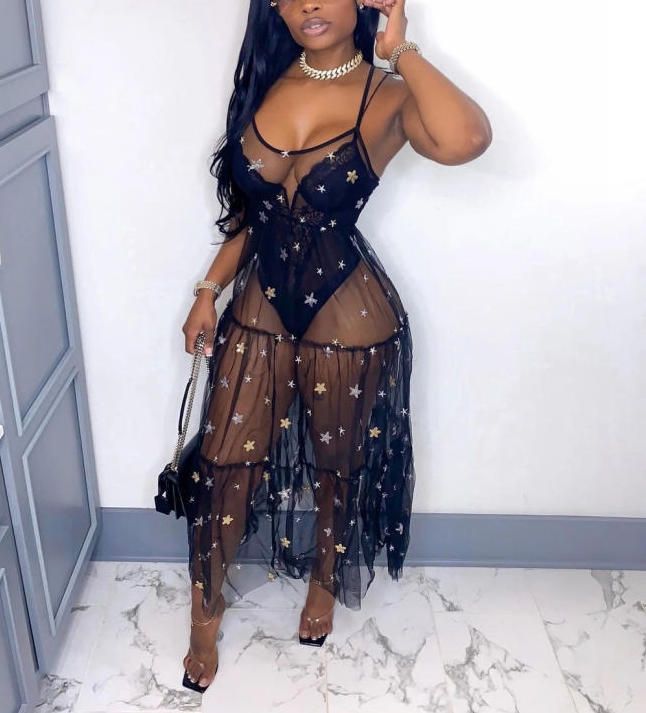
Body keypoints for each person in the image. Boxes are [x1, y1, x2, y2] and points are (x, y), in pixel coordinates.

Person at [179, 0, 491, 693]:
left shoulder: (390, 95)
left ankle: (325, 581)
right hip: (259, 306)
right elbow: (254, 217)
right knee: (226, 461)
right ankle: (205, 611)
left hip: (349, 314)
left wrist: (399, 47)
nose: (308, 5)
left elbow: (467, 138)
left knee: (337, 465)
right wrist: (207, 289)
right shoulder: (268, 81)